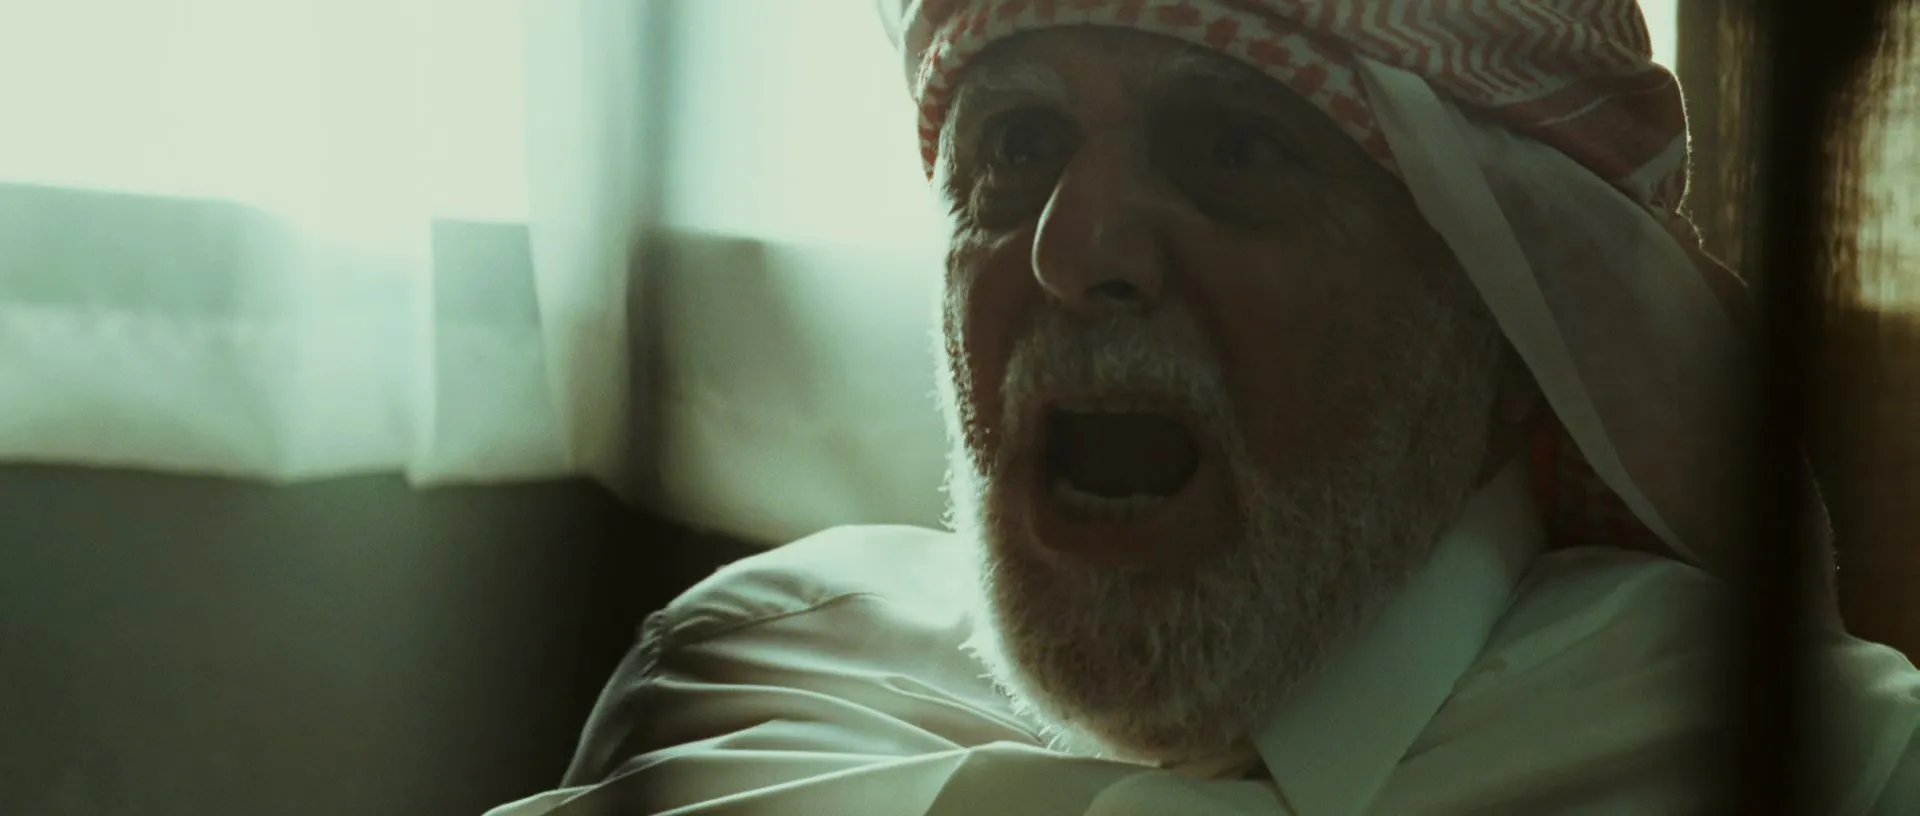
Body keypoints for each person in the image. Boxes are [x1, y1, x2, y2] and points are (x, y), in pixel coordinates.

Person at [487, 1, 1920, 813]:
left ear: (1504, 324)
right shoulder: (742, 674)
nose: (1074, 251)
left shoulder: (1836, 771)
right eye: (1018, 143)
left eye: (1234, 146)